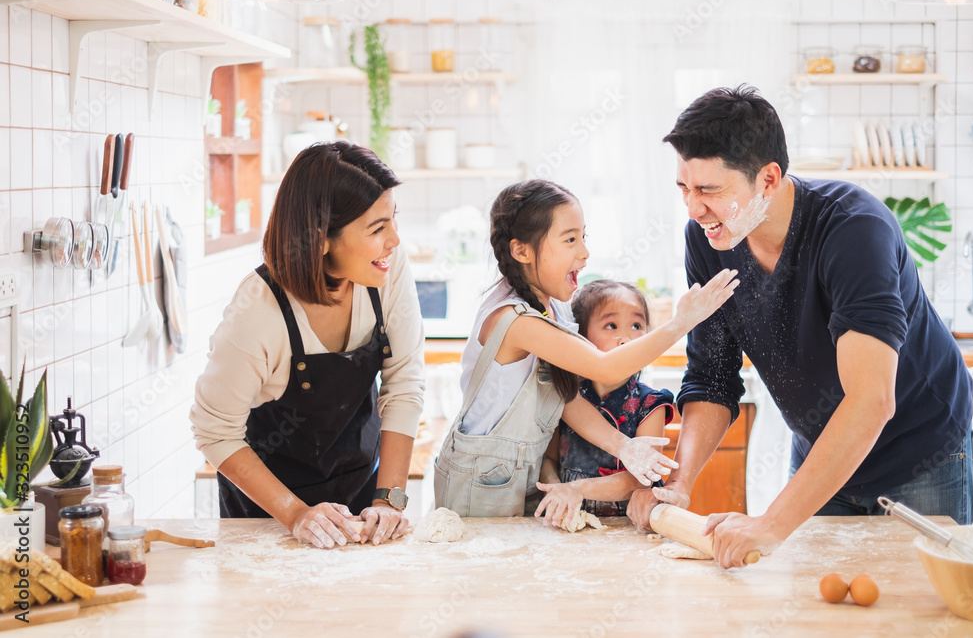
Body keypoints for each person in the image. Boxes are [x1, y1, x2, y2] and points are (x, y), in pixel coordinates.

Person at [627, 85, 973, 568]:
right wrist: (680, 484)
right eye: (685, 188)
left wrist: (770, 523)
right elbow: (712, 376)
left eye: (710, 190)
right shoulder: (709, 240)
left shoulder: (853, 230)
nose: (693, 208)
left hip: (918, 451)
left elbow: (871, 399)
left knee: (916, 606)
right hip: (823, 449)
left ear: (768, 179)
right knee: (818, 605)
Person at [434, 179, 739, 517]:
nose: (584, 252)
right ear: (522, 251)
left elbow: (568, 399)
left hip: (521, 478)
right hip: (479, 484)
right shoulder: (515, 320)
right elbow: (605, 366)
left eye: (583, 237)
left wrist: (624, 446)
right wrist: (683, 322)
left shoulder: (555, 309)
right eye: (569, 240)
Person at [190, 142, 425, 549]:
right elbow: (214, 431)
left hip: (361, 497)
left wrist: (389, 501)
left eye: (393, 220)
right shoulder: (257, 313)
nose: (395, 240)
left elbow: (403, 383)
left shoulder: (384, 269)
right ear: (320, 240)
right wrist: (296, 514)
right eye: (377, 228)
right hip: (267, 516)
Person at [534, 280, 675, 525]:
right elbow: (549, 460)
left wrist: (577, 489)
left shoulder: (651, 405)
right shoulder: (567, 395)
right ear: (580, 336)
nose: (626, 339)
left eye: (636, 325)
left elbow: (638, 479)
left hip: (626, 525)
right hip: (568, 521)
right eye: (611, 325)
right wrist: (556, 490)